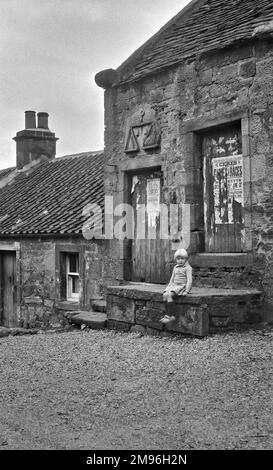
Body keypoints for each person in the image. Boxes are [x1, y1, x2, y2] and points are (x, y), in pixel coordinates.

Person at [160, 248, 193, 324]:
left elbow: (189, 280)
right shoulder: (175, 267)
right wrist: (168, 288)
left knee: (169, 296)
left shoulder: (188, 268)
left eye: (182, 259)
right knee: (165, 295)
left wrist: (187, 291)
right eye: (178, 259)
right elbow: (172, 279)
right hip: (174, 286)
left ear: (186, 259)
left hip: (181, 286)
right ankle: (166, 314)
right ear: (176, 259)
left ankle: (171, 315)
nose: (180, 260)